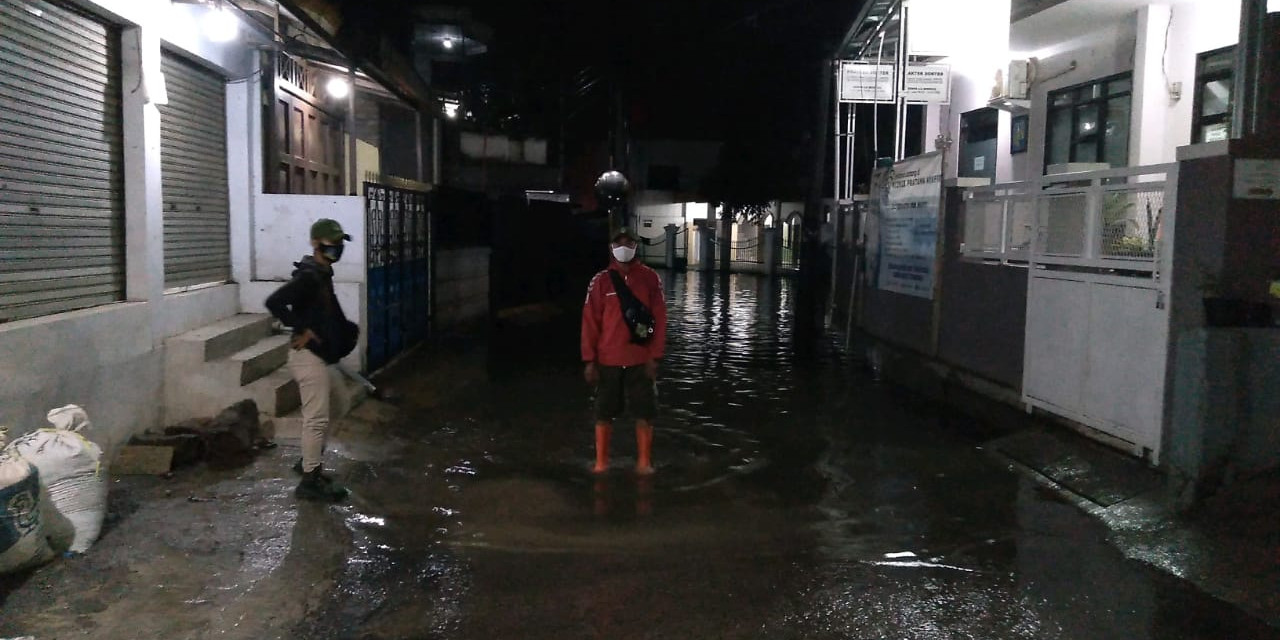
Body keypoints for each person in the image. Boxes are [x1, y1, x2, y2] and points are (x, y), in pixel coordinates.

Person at [265, 218, 360, 502]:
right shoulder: (308, 276)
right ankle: (309, 480)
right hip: (308, 358)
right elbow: (275, 302)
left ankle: (310, 458)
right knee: (316, 418)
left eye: (340, 242)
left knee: (340, 403)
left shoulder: (322, 273)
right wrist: (300, 328)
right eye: (333, 243)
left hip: (323, 357)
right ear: (316, 243)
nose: (338, 248)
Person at [581, 226, 668, 475]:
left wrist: (655, 356)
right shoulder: (600, 281)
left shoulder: (650, 279)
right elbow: (589, 322)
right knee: (604, 412)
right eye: (619, 243)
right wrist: (589, 360)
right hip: (607, 360)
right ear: (611, 248)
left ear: (636, 247)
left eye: (628, 243)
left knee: (645, 411)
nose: (624, 248)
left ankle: (643, 463)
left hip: (641, 359)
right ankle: (601, 463)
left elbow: (660, 319)